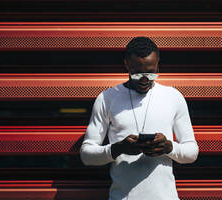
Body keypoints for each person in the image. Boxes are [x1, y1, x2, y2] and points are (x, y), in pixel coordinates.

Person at [80, 36, 199, 200]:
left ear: (158, 65)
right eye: (137, 74)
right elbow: (86, 155)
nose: (144, 80)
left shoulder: (173, 97)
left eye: (151, 73)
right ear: (127, 65)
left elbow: (192, 152)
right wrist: (117, 149)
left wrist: (169, 147)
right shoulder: (107, 98)